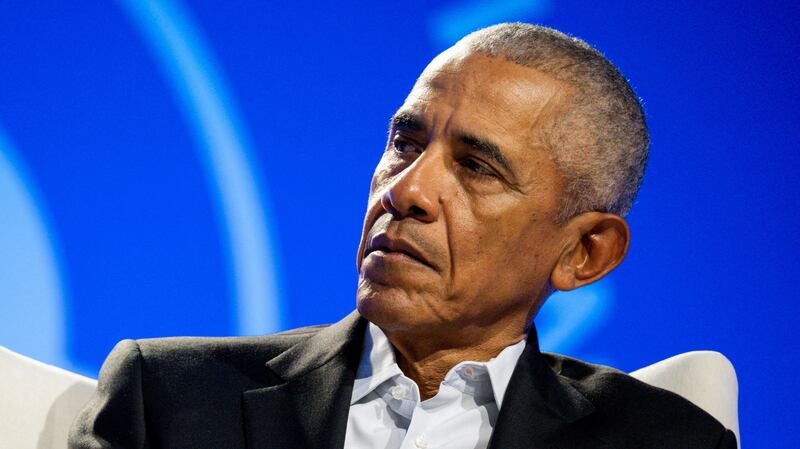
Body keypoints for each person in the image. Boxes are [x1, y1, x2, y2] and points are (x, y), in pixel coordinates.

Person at [69, 23, 737, 449]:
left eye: (476, 167)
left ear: (584, 252)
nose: (406, 190)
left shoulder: (666, 439)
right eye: (404, 142)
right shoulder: (169, 398)